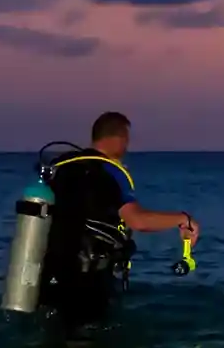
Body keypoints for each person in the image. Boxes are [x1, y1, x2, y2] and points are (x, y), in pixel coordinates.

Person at [40, 112, 199, 324]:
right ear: (120, 138)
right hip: (87, 280)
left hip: (49, 271)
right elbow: (138, 221)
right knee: (86, 345)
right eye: (127, 140)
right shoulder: (111, 171)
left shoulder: (62, 167)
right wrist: (183, 219)